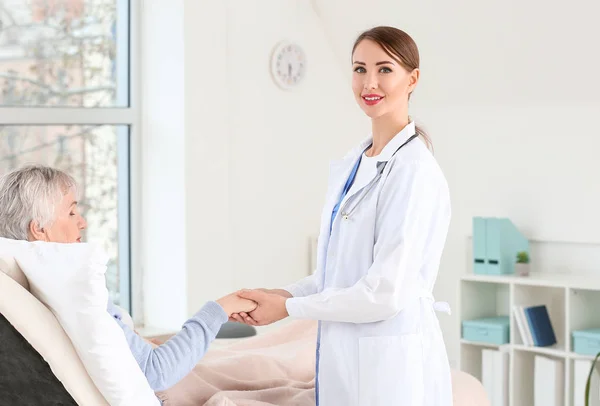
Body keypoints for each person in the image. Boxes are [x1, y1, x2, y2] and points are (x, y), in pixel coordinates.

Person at [231, 26, 453, 405]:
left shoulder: (413, 171)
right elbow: (336, 275)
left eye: (385, 69)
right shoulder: (356, 163)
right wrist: (281, 294)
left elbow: (383, 294)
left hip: (391, 371)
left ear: (412, 79)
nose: (370, 82)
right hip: (346, 362)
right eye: (359, 68)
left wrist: (287, 308)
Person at [0, 164, 257, 394]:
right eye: (71, 213)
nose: (82, 222)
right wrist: (221, 309)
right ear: (39, 229)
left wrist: (133, 336)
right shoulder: (72, 289)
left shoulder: (43, 285)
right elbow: (158, 371)